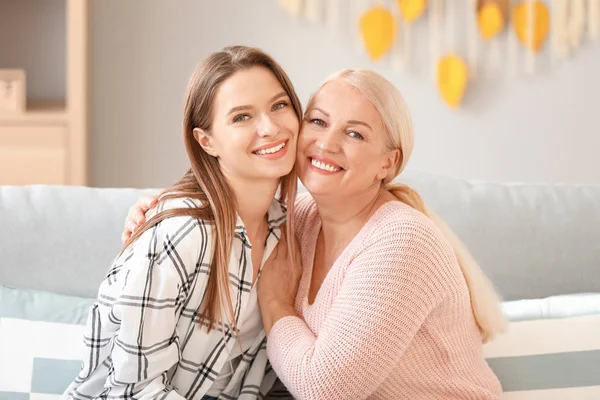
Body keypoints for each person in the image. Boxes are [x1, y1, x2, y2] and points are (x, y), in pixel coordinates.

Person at [123, 70, 507, 399]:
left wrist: (277, 306)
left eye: (355, 134)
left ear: (388, 163)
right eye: (318, 122)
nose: (326, 143)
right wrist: (163, 206)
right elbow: (228, 212)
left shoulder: (402, 241)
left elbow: (325, 388)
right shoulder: (302, 218)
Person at [63, 45, 303, 400]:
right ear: (206, 141)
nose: (270, 127)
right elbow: (133, 392)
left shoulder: (288, 230)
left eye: (279, 105)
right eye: (241, 117)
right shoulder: (182, 235)